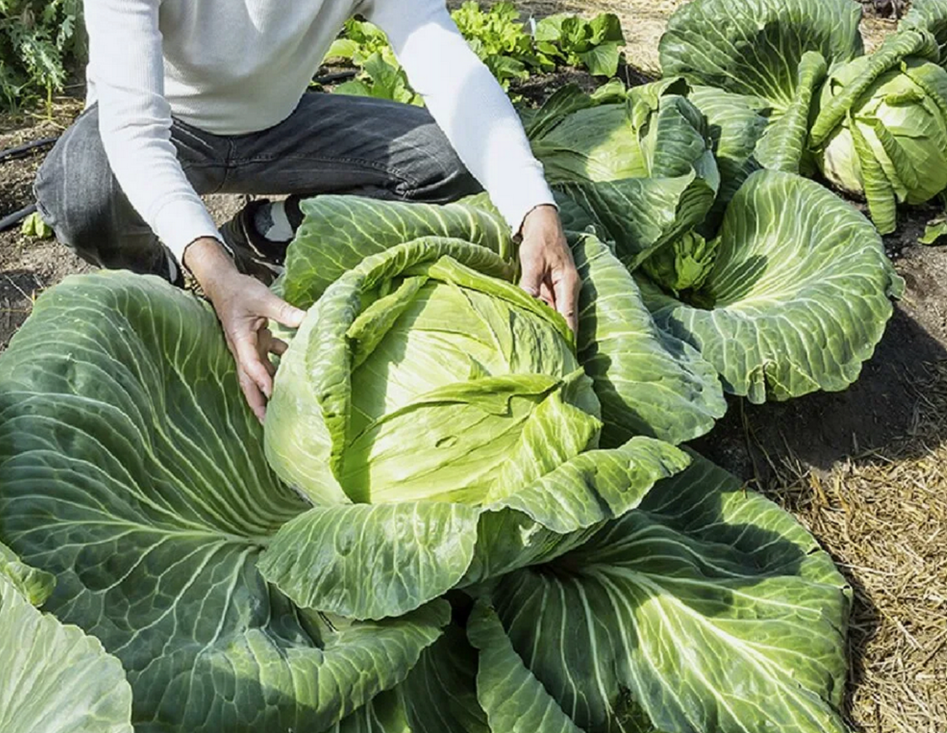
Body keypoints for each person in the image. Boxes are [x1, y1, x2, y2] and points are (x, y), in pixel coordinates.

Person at [35, 0, 577, 421]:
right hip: (166, 123)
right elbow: (134, 133)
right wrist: (214, 273)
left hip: (282, 126)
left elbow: (448, 66)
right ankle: (170, 275)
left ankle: (261, 235)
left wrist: (534, 208)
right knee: (81, 191)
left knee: (446, 162)